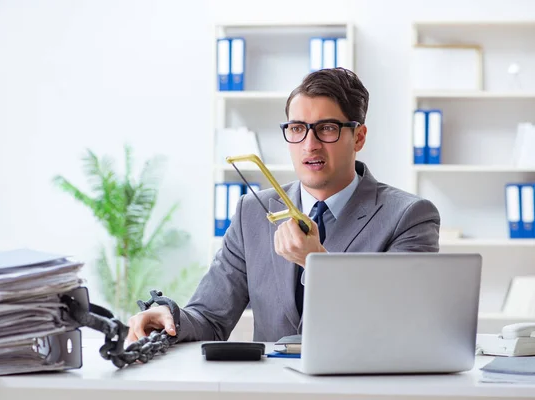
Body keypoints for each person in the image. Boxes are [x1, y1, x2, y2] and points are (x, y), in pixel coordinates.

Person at [127, 67, 440, 343]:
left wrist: (317, 262)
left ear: (358, 137)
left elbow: (401, 322)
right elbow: (210, 317)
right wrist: (168, 317)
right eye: (297, 128)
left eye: (327, 128)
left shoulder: (409, 216)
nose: (309, 143)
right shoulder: (251, 212)